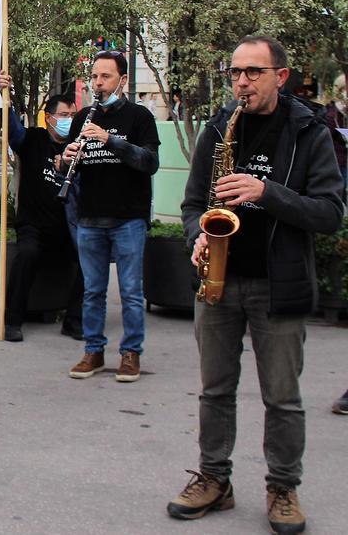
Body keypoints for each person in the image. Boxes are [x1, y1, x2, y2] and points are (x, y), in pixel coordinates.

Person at [168, 35, 344, 533]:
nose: (241, 82)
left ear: (280, 77)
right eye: (235, 73)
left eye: (253, 73)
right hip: (219, 281)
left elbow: (330, 213)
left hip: (278, 283)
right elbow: (190, 205)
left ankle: (283, 487)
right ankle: (213, 478)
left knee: (282, 397)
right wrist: (195, 238)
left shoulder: (310, 130)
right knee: (214, 391)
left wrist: (267, 193)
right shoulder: (221, 126)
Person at [59, 50, 160, 382]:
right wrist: (66, 158)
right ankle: (94, 351)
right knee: (92, 290)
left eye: (106, 77)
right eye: (95, 77)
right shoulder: (83, 117)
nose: (98, 83)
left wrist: (110, 139)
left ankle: (131, 353)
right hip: (90, 216)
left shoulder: (139, 117)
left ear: (123, 80)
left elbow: (149, 162)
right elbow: (70, 165)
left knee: (131, 291)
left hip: (128, 216)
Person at [0, 73, 84, 342]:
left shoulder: (79, 147)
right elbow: (13, 130)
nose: (69, 118)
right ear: (49, 118)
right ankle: (12, 321)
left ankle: (74, 321)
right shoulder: (33, 140)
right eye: (63, 114)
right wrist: (6, 97)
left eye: (72, 113)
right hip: (33, 226)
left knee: (90, 259)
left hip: (68, 228)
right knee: (26, 255)